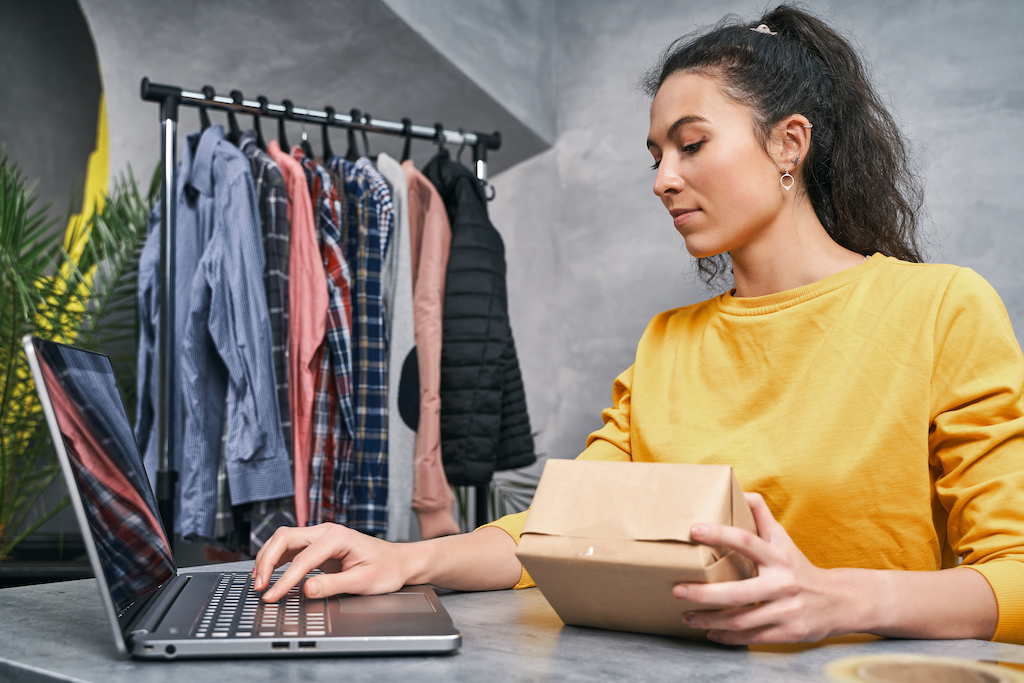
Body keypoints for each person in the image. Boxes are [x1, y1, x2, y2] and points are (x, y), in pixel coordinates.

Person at [252, 5, 1024, 645]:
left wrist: (840, 600)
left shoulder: (942, 310)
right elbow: (559, 524)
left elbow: (1014, 573)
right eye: (656, 153)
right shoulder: (668, 341)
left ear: (789, 143)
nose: (662, 179)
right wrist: (405, 560)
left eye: (691, 145)